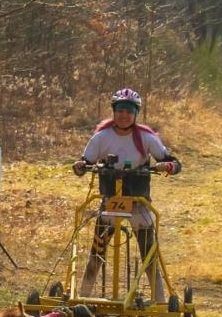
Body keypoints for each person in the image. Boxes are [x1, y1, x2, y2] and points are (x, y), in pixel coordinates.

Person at [71, 87, 181, 301]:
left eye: (129, 112)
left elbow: (174, 163)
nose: (124, 115)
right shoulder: (102, 136)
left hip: (139, 202)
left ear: (135, 114)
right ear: (114, 111)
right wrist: (79, 166)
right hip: (111, 201)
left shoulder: (146, 137)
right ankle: (82, 297)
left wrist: (166, 167)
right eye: (120, 110)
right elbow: (84, 162)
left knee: (149, 251)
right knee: (97, 251)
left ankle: (159, 301)